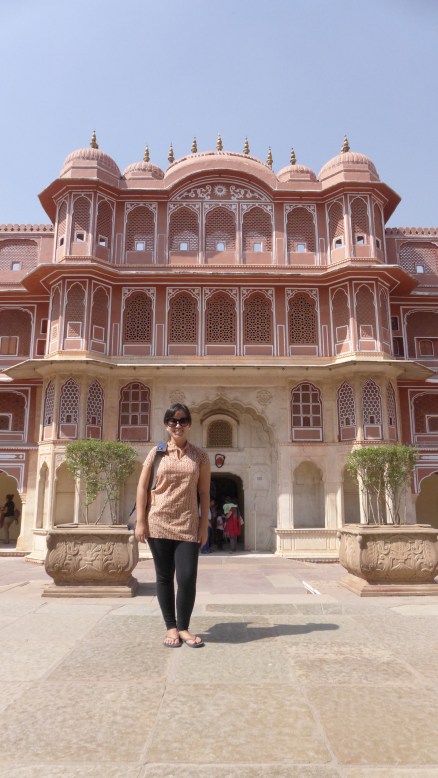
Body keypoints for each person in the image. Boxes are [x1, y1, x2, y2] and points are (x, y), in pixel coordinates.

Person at [135, 403, 211, 648]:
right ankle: (171, 627)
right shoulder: (156, 453)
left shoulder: (200, 456)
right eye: (172, 421)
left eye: (182, 421)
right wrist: (140, 522)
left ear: (189, 424)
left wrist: (203, 525)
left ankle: (184, 627)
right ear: (166, 425)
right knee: (165, 577)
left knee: (187, 577)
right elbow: (142, 487)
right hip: (158, 521)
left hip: (188, 523)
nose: (178, 425)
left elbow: (204, 492)